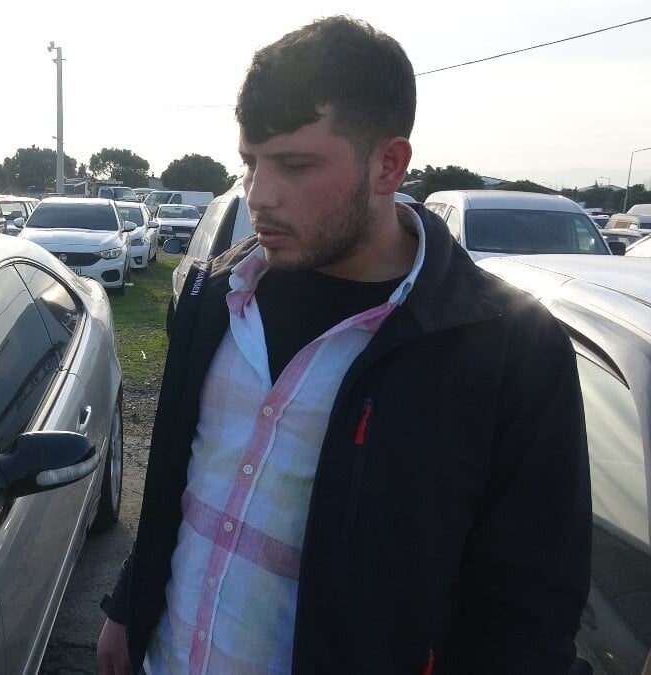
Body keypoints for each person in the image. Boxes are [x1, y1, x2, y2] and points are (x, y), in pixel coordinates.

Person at [96, 16, 590, 675]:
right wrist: (129, 603)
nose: (258, 196)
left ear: (388, 164)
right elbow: (176, 483)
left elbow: (530, 608)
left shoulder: (509, 350)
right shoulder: (213, 295)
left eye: (295, 165)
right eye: (250, 163)